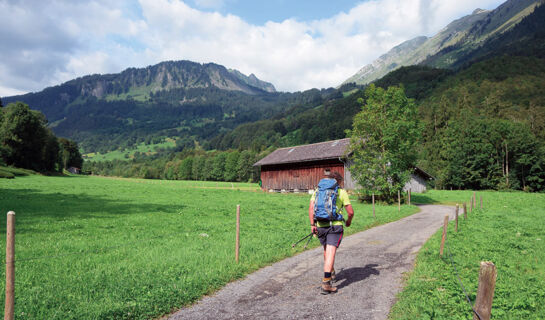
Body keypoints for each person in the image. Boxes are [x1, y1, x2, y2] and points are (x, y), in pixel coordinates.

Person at [309, 171, 354, 294]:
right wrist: (348, 221)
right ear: (338, 181)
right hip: (335, 226)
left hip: (320, 225)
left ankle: (332, 272)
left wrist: (312, 224)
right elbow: (350, 212)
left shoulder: (318, 191)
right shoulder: (341, 192)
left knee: (326, 250)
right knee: (330, 252)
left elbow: (311, 208)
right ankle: (326, 283)